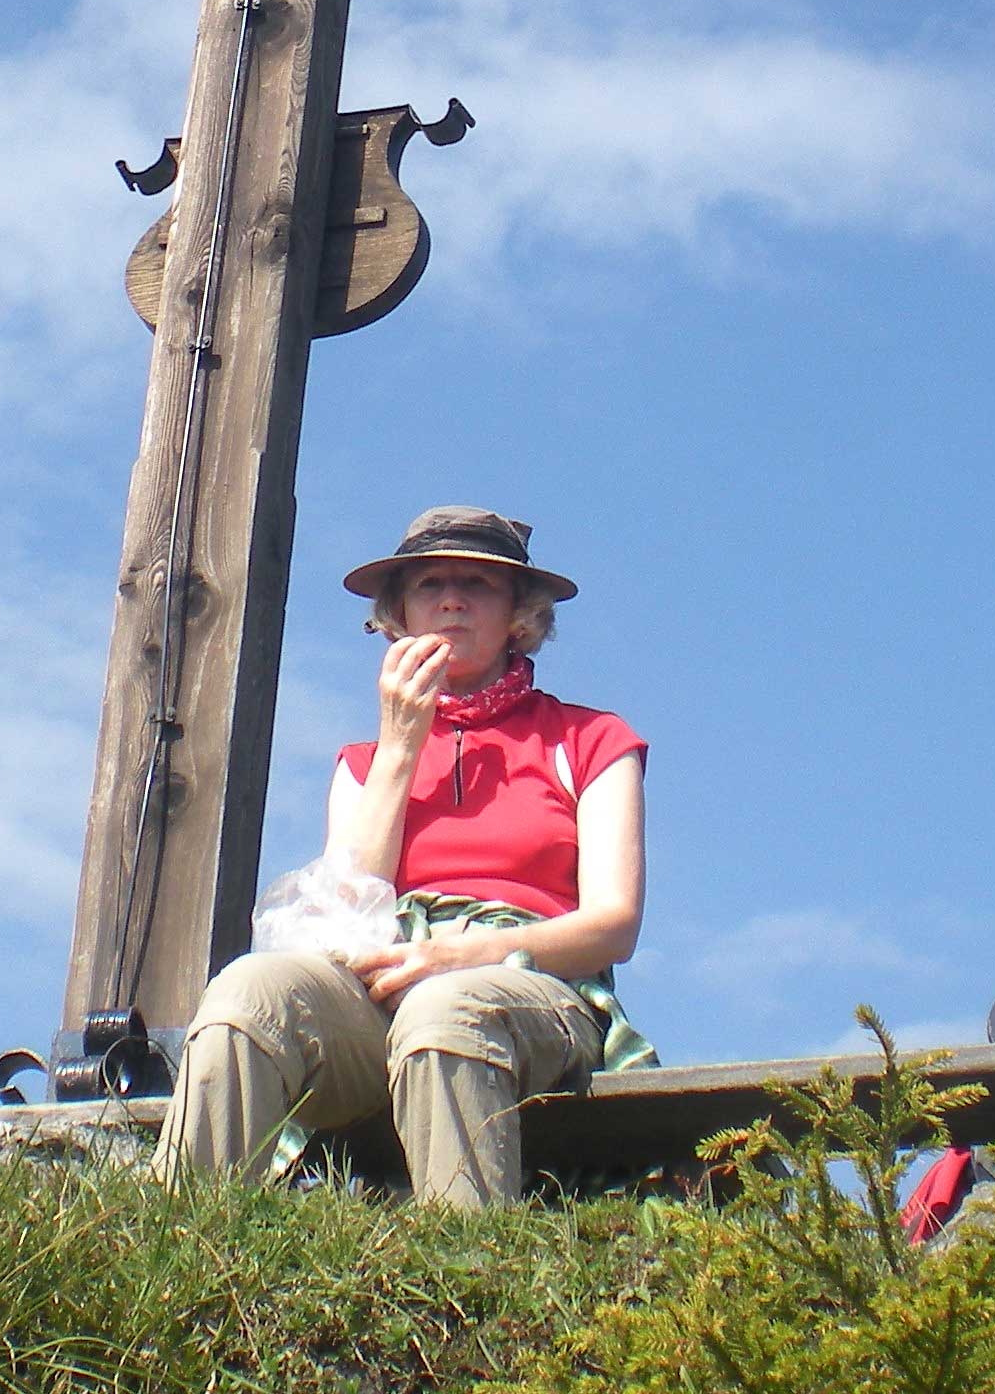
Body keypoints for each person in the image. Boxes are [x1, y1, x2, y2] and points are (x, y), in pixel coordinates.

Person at [153, 505, 652, 1205]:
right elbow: (344, 906)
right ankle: (176, 1242)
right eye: (429, 585)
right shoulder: (364, 762)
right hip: (382, 980)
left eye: (477, 583)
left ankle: (468, 1276)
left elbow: (614, 926)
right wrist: (401, 745)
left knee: (446, 1008)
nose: (451, 598)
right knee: (248, 991)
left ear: (519, 613)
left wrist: (459, 956)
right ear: (399, 616)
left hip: (529, 984)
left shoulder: (590, 739)